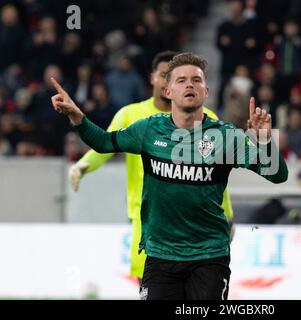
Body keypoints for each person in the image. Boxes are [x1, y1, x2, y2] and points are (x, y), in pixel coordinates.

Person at [51, 52, 288, 300]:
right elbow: (103, 142)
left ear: (206, 91)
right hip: (160, 255)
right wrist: (77, 117)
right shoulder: (148, 129)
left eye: (196, 80)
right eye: (181, 80)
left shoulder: (225, 136)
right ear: (168, 91)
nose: (189, 85)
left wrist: (265, 140)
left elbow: (277, 175)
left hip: (209, 256)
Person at [68, 51, 235, 285]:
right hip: (146, 216)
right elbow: (105, 143)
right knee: (148, 282)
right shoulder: (131, 115)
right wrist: (83, 165)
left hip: (197, 222)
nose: (170, 81)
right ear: (154, 79)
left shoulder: (205, 118)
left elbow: (218, 172)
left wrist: (227, 213)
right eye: (165, 76)